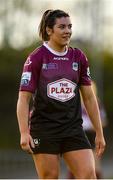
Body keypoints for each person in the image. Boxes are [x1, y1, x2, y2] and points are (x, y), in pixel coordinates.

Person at [16, 9, 106, 179]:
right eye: (62, 27)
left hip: (72, 128)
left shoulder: (78, 57)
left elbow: (89, 98)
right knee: (50, 177)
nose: (68, 31)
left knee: (88, 175)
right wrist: (23, 132)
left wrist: (99, 133)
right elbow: (23, 99)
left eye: (70, 26)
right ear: (49, 30)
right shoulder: (36, 58)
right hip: (44, 129)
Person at [68, 81, 108, 179]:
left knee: (95, 165)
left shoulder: (96, 104)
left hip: (91, 135)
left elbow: (103, 121)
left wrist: (94, 126)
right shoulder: (74, 102)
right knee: (73, 165)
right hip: (77, 134)